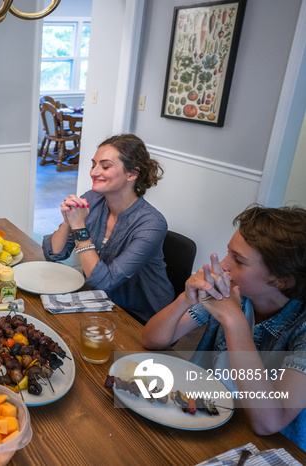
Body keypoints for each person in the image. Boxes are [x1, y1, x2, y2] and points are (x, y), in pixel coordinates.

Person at [141, 205, 306, 449]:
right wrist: (185, 299)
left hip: (265, 446)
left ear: (282, 280)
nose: (224, 265)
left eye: (238, 260)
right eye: (228, 252)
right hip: (208, 418)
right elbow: (152, 339)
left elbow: (269, 423)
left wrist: (235, 321)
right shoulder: (234, 293)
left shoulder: (299, 327)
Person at [42, 133, 174, 323]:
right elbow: (54, 253)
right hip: (102, 302)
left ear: (132, 174)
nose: (94, 172)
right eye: (93, 164)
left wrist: (78, 225)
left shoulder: (152, 224)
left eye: (105, 166)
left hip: (141, 315)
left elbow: (104, 282)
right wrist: (67, 220)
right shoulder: (93, 199)